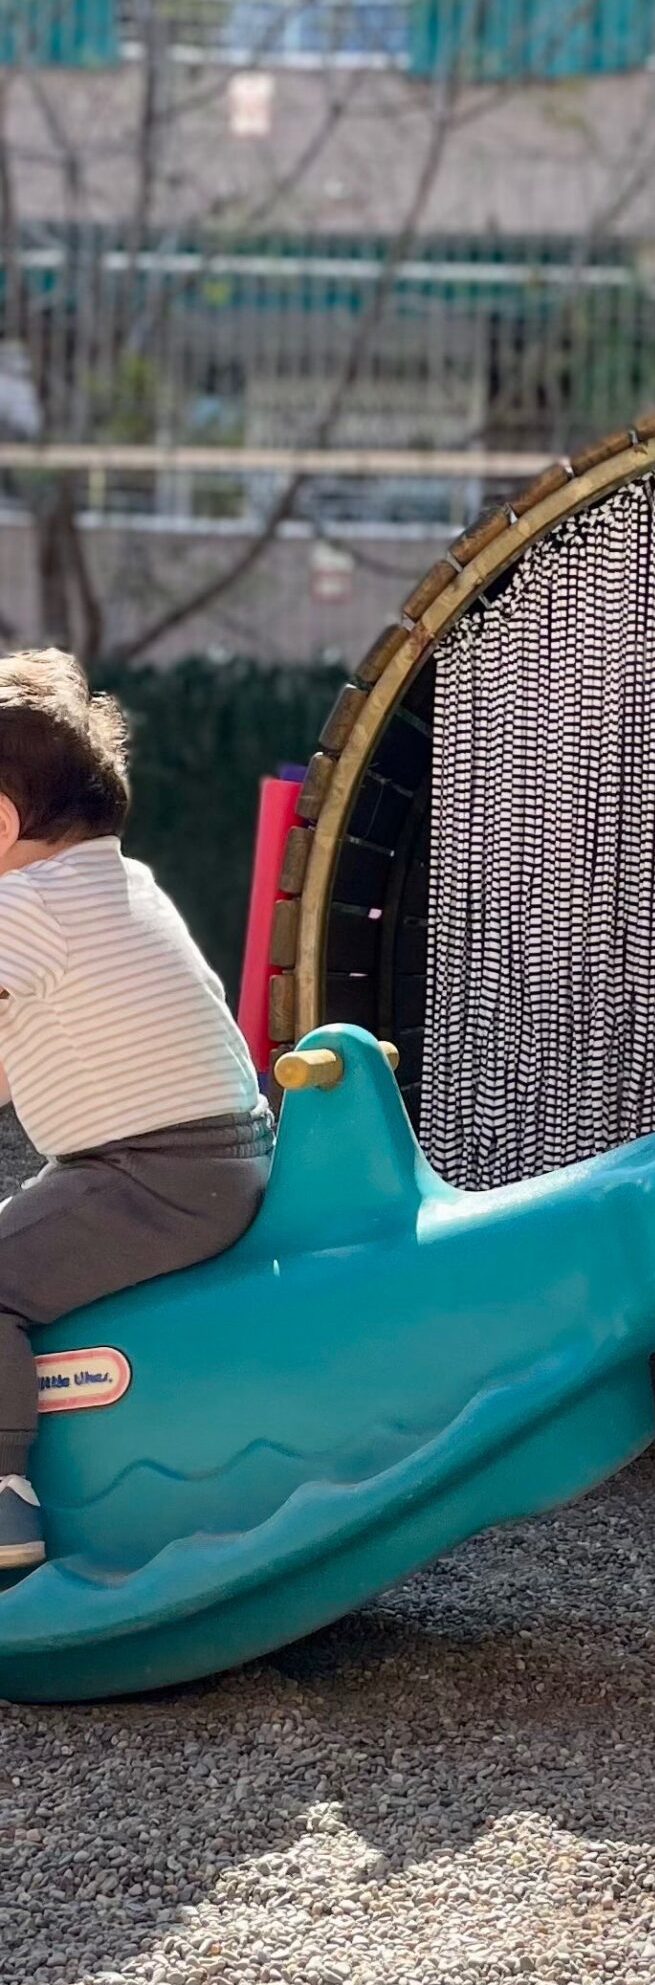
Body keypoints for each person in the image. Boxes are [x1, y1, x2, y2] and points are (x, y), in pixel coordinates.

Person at [0, 650, 272, 1571]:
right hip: (214, 1159)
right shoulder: (116, 888)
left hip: (150, 1176)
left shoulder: (22, 907)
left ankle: (3, 1503)